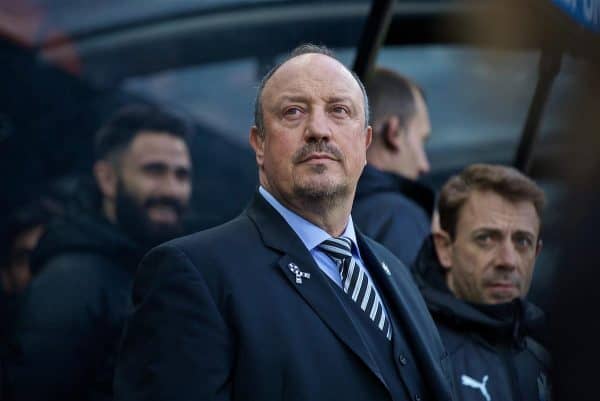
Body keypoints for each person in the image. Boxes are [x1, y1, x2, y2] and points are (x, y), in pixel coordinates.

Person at [114, 44, 454, 401]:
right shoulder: (194, 274)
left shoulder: (396, 272)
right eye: (293, 112)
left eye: (339, 111)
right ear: (259, 144)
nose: (318, 130)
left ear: (365, 142)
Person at [3, 104, 193, 401]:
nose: (172, 190)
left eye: (181, 175)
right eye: (154, 170)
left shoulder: (159, 273)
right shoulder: (72, 282)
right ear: (107, 179)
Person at [412, 164, 551, 401]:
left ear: (536, 253)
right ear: (445, 248)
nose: (508, 261)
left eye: (522, 241)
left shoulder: (551, 358)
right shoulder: (415, 351)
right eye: (486, 238)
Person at [353, 68, 435, 266]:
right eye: (421, 140)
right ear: (394, 132)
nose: (425, 166)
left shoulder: (319, 208)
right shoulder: (399, 217)